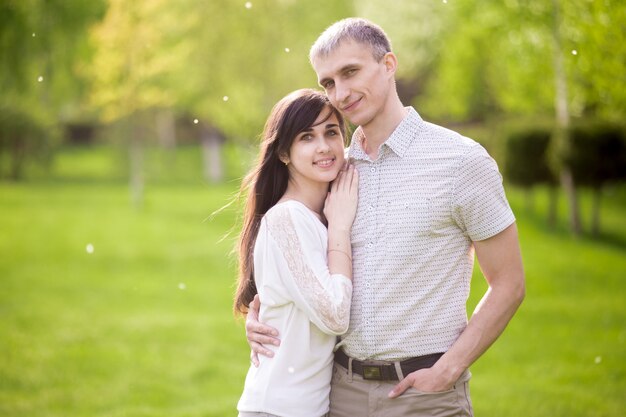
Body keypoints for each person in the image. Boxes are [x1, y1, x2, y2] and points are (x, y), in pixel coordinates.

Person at [245, 18, 525, 416]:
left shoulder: (460, 162)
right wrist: (266, 318)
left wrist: (449, 369)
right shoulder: (333, 169)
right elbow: (299, 266)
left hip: (425, 396)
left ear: (389, 64)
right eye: (327, 82)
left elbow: (509, 283)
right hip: (338, 395)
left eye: (350, 72)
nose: (339, 93)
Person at [234, 88, 359, 417]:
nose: (323, 147)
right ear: (284, 153)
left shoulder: (315, 214)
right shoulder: (288, 218)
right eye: (306, 137)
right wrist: (341, 228)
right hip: (279, 407)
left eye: (331, 132)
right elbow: (334, 315)